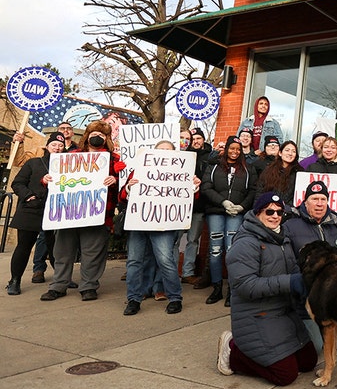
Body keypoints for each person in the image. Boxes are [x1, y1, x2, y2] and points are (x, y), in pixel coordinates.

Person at [216, 192, 316, 385]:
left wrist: (311, 281)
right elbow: (246, 286)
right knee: (286, 376)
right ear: (258, 212)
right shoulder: (245, 243)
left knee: (309, 362)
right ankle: (232, 351)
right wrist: (290, 282)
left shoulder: (282, 238)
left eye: (280, 212)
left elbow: (294, 270)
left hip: (284, 312)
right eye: (269, 211)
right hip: (257, 314)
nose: (275, 216)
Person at [41, 120, 125, 302]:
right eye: (94, 134)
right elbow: (56, 179)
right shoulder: (71, 156)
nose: (98, 137)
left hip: (98, 215)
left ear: (107, 139)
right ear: (88, 136)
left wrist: (117, 178)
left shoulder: (115, 159)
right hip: (68, 214)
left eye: (102, 135)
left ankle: (88, 286)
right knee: (63, 251)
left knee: (92, 252)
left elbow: (126, 188)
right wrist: (46, 179)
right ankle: (58, 285)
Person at [282, 180, 337, 354]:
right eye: (314, 199)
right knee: (315, 348)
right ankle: (288, 327)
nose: (319, 203)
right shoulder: (290, 225)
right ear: (305, 201)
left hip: (331, 300)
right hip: (304, 301)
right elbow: (286, 261)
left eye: (323, 199)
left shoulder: (336, 223)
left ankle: (320, 328)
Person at [121, 140, 199, 315]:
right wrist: (128, 188)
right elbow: (122, 195)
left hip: (164, 225)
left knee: (165, 260)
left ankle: (175, 298)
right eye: (161, 150)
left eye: (168, 150)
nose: (164, 153)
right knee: (134, 261)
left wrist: (194, 187)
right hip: (139, 222)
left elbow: (190, 197)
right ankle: (134, 298)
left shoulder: (182, 172)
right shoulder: (139, 168)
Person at [200, 135, 257, 306]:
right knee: (216, 250)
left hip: (236, 213)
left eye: (238, 150)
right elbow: (206, 186)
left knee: (232, 250)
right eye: (232, 148)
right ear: (226, 150)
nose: (234, 152)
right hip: (216, 211)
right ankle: (217, 287)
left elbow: (253, 190)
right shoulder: (215, 165)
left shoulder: (248, 168)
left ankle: (233, 290)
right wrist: (222, 202)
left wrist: (242, 206)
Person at [6, 133, 64, 295]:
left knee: (56, 249)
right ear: (47, 146)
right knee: (24, 247)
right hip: (31, 210)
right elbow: (17, 183)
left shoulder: (68, 166)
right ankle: (14, 280)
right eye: (54, 145)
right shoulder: (33, 163)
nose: (57, 149)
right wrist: (29, 195)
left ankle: (61, 279)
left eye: (60, 146)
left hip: (54, 212)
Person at [181, 127, 213, 287]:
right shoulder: (180, 155)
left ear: (203, 140)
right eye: (193, 139)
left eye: (199, 138)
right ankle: (170, 272)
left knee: (193, 240)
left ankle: (187, 272)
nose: (196, 141)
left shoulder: (209, 156)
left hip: (199, 206)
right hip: (179, 205)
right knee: (174, 239)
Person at [257, 140, 301, 205]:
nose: (290, 153)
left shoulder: (299, 173)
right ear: (280, 153)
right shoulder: (269, 170)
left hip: (289, 210)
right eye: (287, 150)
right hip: (268, 208)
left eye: (293, 151)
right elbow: (259, 191)